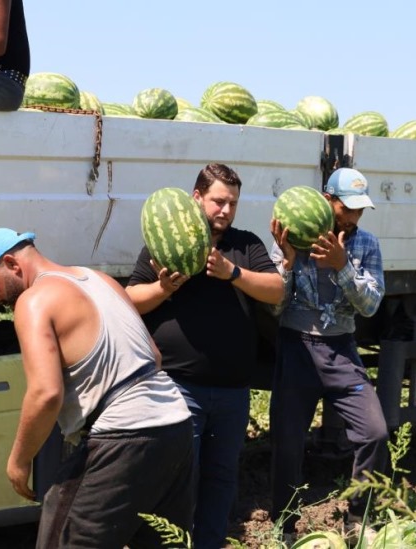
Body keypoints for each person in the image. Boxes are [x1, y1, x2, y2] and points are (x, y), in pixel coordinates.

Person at [0, 228, 193, 549]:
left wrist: (19, 461)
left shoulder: (34, 301)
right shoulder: (101, 280)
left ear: (11, 263)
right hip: (175, 425)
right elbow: (154, 355)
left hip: (122, 435)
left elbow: (46, 393)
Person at [126, 163, 284, 549]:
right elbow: (130, 300)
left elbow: (278, 289)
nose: (225, 210)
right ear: (197, 198)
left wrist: (233, 273)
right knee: (179, 480)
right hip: (180, 389)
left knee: (221, 479)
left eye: (232, 203)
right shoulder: (164, 244)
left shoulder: (245, 245)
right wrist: (162, 288)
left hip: (232, 392)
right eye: (218, 201)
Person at [268, 167, 389, 537]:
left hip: (340, 350)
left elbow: (370, 305)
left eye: (359, 210)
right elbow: (273, 306)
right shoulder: (293, 236)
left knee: (375, 432)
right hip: (296, 347)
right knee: (287, 443)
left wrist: (342, 267)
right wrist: (287, 263)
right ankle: (284, 526)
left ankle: (357, 518)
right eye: (346, 208)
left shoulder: (366, 244)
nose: (352, 217)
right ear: (327, 201)